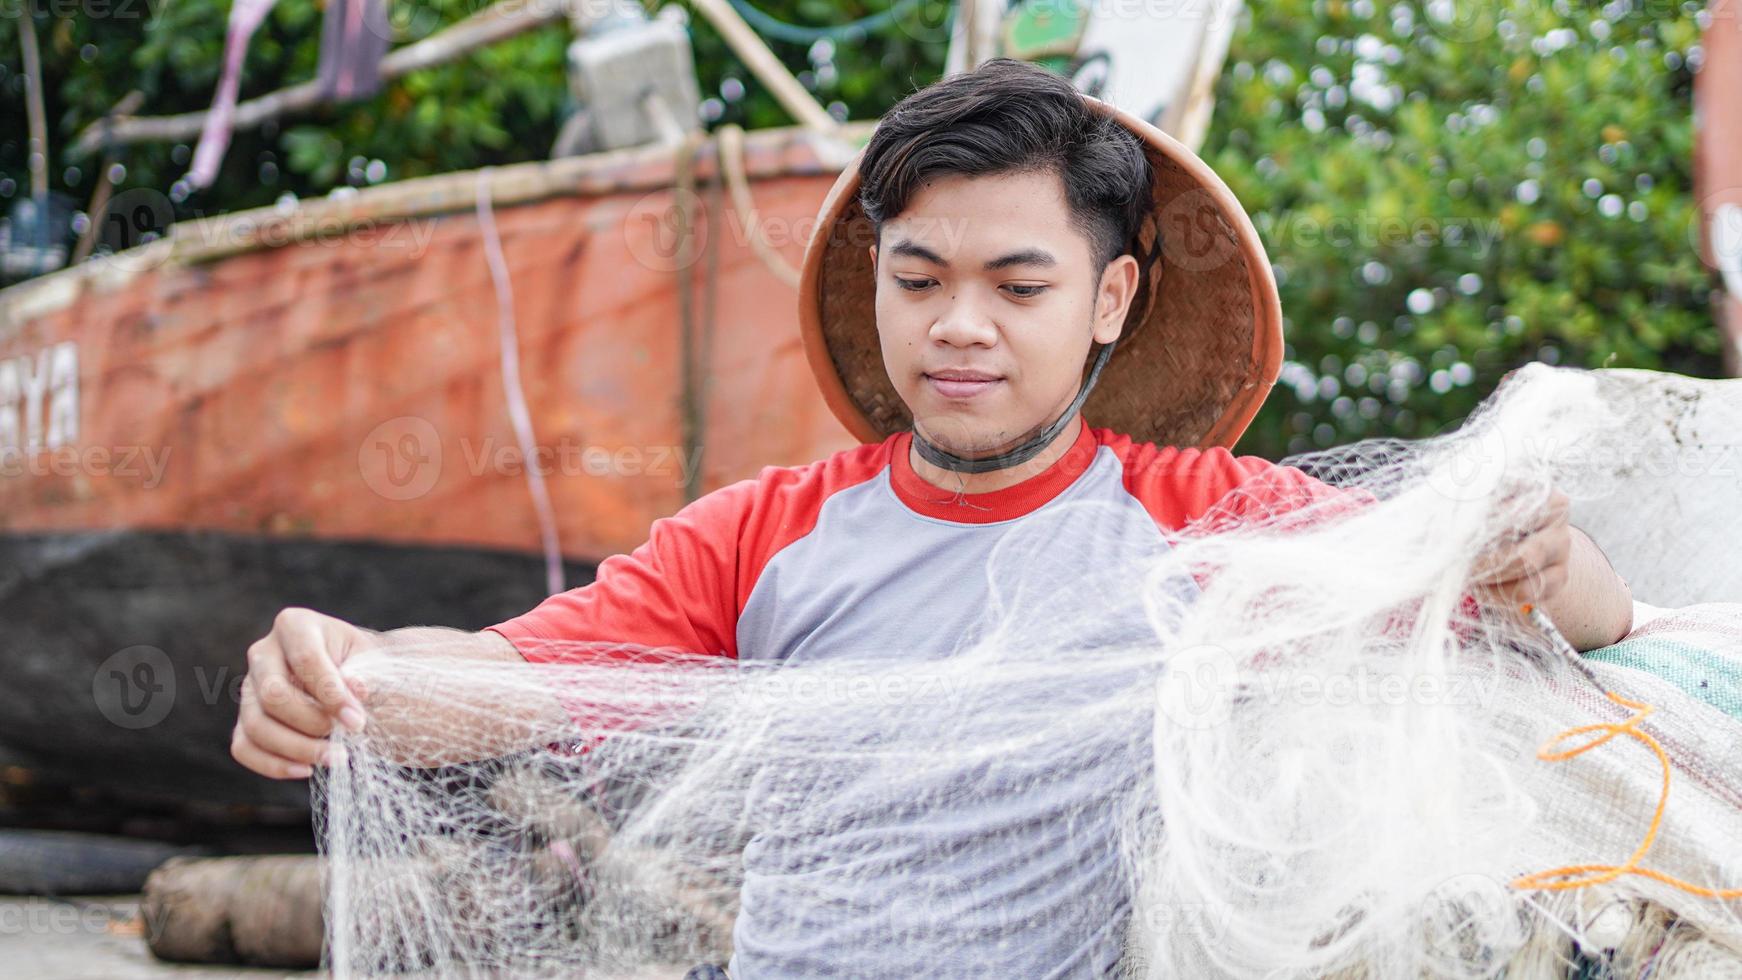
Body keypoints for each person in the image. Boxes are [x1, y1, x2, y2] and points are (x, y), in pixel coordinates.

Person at [231, 59, 1634, 975]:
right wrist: (347, 672)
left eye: (1017, 287)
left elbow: (1565, 606)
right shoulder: (762, 533)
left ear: (1109, 302)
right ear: (878, 285)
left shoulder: (1205, 518)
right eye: (918, 280)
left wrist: (1541, 554)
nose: (959, 328)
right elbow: (515, 684)